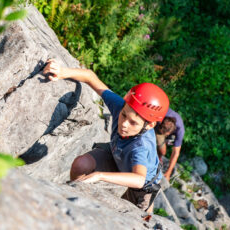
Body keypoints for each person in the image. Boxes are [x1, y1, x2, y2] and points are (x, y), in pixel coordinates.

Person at [43, 59, 169, 213]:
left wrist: (100, 175)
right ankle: (73, 203)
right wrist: (63, 72)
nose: (124, 124)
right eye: (123, 115)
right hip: (117, 154)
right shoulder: (121, 106)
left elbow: (139, 179)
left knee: (139, 219)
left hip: (142, 185)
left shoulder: (141, 146)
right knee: (81, 164)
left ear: (149, 125)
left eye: (133, 123)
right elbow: (90, 77)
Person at [154, 108, 184, 181]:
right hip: (155, 121)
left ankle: (157, 158)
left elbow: (176, 153)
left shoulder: (180, 130)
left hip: (162, 131)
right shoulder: (160, 113)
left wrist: (168, 172)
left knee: (162, 151)